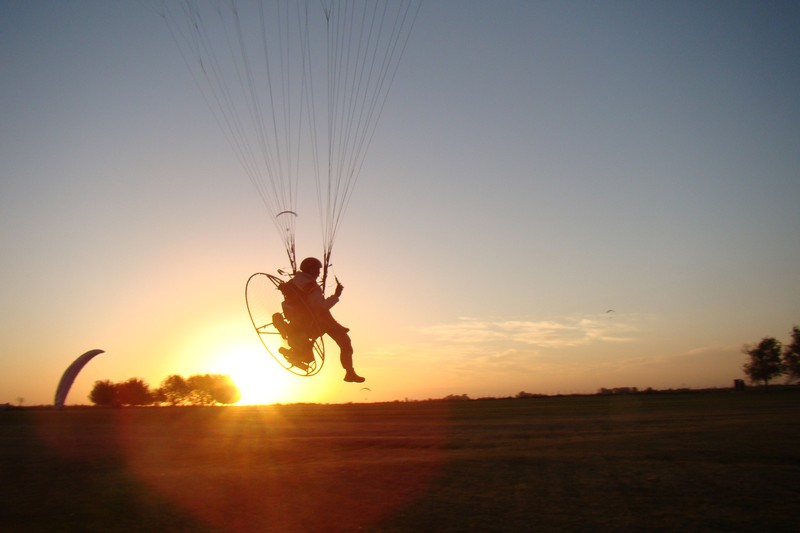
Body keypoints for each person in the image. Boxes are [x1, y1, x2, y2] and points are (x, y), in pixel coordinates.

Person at [281, 257, 365, 383]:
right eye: (317, 269)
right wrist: (336, 295)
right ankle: (349, 372)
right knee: (345, 343)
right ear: (311, 269)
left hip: (303, 322)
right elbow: (320, 307)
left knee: (319, 340)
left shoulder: (295, 282)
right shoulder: (312, 286)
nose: (319, 272)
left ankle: (298, 353)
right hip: (320, 321)